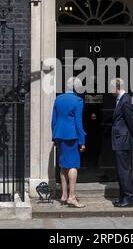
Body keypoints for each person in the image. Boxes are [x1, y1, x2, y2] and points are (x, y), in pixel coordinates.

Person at [51, 77, 87, 208]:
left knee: (63, 166)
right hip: (72, 137)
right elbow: (78, 122)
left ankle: (64, 195)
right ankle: (72, 197)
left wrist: (55, 138)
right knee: (72, 165)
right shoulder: (78, 100)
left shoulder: (58, 99)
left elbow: (53, 120)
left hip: (60, 135)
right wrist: (82, 141)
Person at [110, 78, 133, 208]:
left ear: (116, 88)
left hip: (123, 141)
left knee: (124, 171)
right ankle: (123, 197)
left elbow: (131, 122)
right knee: (121, 171)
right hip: (120, 140)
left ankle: (129, 198)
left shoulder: (126, 101)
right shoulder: (120, 100)